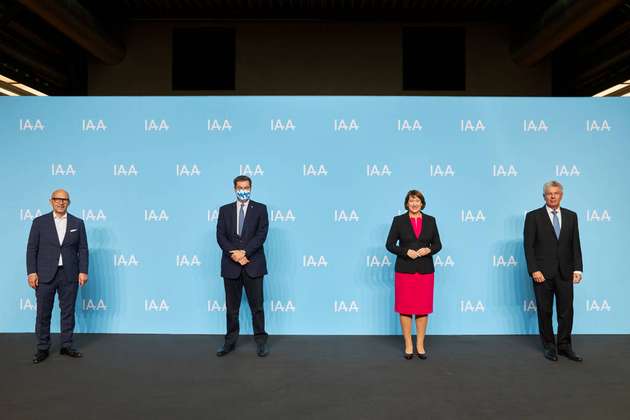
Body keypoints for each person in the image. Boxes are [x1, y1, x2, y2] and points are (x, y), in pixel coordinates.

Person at [26, 189, 89, 364]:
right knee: (43, 313)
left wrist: (83, 271)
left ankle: (66, 345)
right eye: (57, 199)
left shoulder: (78, 222)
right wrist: (32, 272)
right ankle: (42, 348)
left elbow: (83, 249)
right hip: (45, 274)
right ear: (51, 201)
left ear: (68, 202)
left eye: (65, 200)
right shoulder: (39, 222)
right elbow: (32, 249)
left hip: (69, 274)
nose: (61, 202)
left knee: (68, 312)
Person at [524, 180, 583, 362]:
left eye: (556, 193)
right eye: (549, 193)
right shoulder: (533, 216)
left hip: (565, 272)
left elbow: (575, 245)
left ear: (561, 195)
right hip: (542, 273)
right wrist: (534, 270)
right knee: (545, 311)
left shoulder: (572, 216)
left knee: (566, 311)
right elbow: (528, 246)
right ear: (544, 196)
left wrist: (578, 269)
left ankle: (565, 346)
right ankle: (549, 346)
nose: (552, 196)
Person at [216, 175, 270, 357]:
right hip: (231, 266)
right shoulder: (224, 210)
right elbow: (220, 236)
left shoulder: (261, 209)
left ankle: (261, 342)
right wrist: (236, 255)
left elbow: (261, 235)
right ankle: (229, 342)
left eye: (246, 187)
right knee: (232, 308)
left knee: (257, 307)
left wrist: (244, 253)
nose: (243, 190)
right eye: (240, 187)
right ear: (234, 188)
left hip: (253, 265)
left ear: (251, 187)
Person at [386, 190, 442, 360]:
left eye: (417, 200)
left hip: (425, 270)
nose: (414, 203)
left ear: (422, 203)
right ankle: (409, 345)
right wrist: (405, 251)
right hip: (405, 270)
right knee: (405, 307)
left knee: (422, 308)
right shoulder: (399, 221)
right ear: (407, 203)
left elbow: (438, 244)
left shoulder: (431, 221)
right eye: (411, 201)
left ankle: (420, 345)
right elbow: (389, 244)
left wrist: (429, 249)